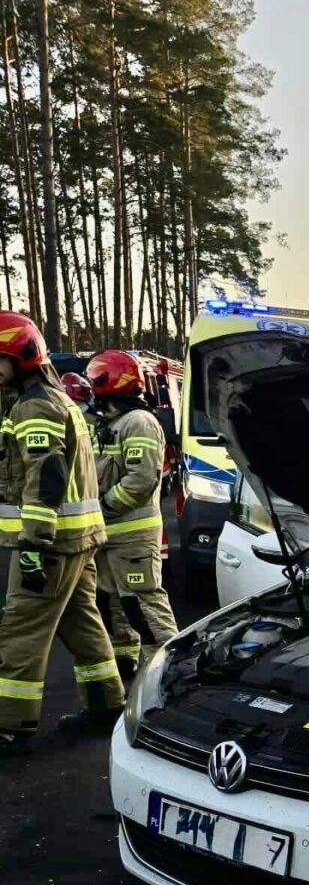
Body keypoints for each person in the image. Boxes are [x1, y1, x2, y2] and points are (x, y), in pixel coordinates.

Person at [0, 312, 124, 749]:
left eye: (0, 360)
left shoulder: (34, 405)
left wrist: (33, 542)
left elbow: (45, 473)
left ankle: (9, 722)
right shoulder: (57, 399)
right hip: (78, 539)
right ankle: (107, 704)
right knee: (81, 622)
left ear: (23, 356)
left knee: (21, 629)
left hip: (50, 542)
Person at [85, 349, 178, 683]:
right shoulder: (110, 424)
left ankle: (169, 674)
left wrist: (103, 509)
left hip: (132, 535)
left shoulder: (139, 422)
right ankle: (127, 672)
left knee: (142, 605)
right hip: (110, 536)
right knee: (114, 607)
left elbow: (140, 480)